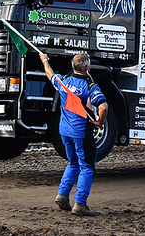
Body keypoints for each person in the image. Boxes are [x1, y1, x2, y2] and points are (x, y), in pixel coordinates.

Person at [39, 52, 108, 216]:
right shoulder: (90, 86)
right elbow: (103, 107)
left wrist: (45, 60)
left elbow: (50, 75)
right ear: (87, 68)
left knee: (73, 162)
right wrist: (100, 122)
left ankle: (62, 194)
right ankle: (80, 204)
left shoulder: (64, 81)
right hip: (81, 132)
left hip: (65, 131)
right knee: (87, 167)